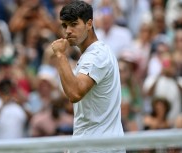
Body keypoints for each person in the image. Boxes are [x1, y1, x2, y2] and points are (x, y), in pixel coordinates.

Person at [51, 1, 124, 152]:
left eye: (74, 24)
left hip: (98, 147)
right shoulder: (94, 53)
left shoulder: (96, 55)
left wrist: (60, 55)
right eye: (65, 26)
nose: (68, 31)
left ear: (89, 24)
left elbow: (75, 93)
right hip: (95, 145)